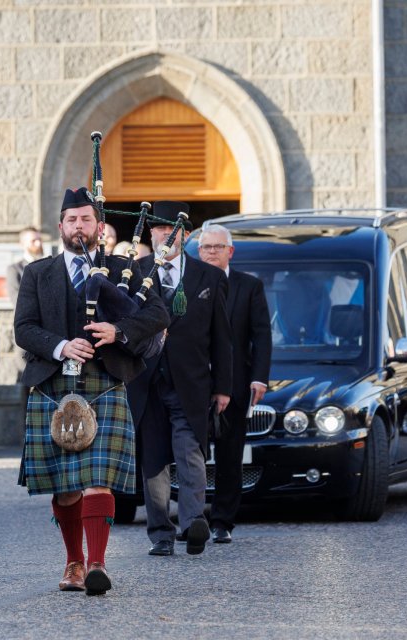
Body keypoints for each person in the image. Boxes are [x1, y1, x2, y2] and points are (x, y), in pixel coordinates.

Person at [14, 187, 169, 595]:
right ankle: (74, 563)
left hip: (104, 382)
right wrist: (62, 345)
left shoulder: (121, 269)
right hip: (52, 384)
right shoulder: (37, 273)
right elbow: (23, 329)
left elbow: (158, 313)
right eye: (72, 220)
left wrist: (119, 330)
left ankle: (98, 563)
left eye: (86, 219)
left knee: (97, 479)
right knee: (65, 487)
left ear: (99, 227)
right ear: (60, 226)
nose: (78, 226)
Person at [127, 201, 232, 557]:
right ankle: (161, 533)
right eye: (157, 228)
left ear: (184, 234)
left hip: (191, 383)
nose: (163, 235)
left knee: (190, 454)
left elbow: (222, 338)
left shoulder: (210, 277)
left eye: (170, 228)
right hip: (145, 381)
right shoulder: (133, 272)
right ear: (151, 233)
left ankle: (192, 523)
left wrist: (223, 388)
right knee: (153, 460)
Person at [198, 224, 272, 544]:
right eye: (206, 248)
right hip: (195, 383)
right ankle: (192, 517)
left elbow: (261, 336)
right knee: (191, 453)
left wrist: (259, 377)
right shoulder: (187, 285)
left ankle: (222, 521)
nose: (212, 252)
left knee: (230, 455)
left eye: (217, 247)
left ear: (230, 251)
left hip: (237, 383)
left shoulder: (249, 286)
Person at [6, 227, 44, 305]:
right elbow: (18, 301)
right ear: (22, 244)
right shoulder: (14, 270)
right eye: (33, 241)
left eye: (39, 239)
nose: (38, 244)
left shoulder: (49, 266)